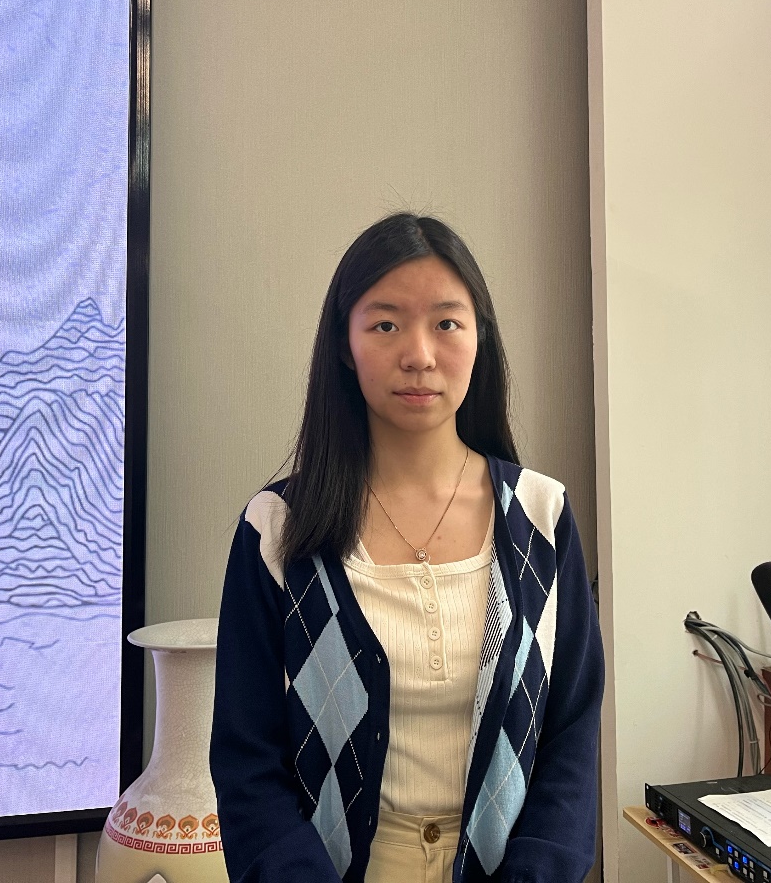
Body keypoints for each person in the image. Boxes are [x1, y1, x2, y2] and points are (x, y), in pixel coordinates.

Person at [210, 213, 604, 883]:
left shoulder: (541, 516)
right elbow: (247, 760)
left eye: (446, 323)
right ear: (344, 344)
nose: (419, 354)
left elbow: (572, 732)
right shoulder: (277, 529)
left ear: (479, 337)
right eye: (385, 325)